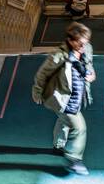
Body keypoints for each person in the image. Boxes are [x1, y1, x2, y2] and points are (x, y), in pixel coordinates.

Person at [32, 22, 96, 175]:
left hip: (77, 94)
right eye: (80, 43)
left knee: (64, 120)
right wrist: (37, 94)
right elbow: (41, 75)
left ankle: (58, 145)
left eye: (85, 42)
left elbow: (89, 66)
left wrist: (91, 75)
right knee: (79, 127)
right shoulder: (58, 55)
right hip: (60, 98)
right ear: (71, 41)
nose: (83, 46)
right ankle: (74, 159)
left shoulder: (87, 48)